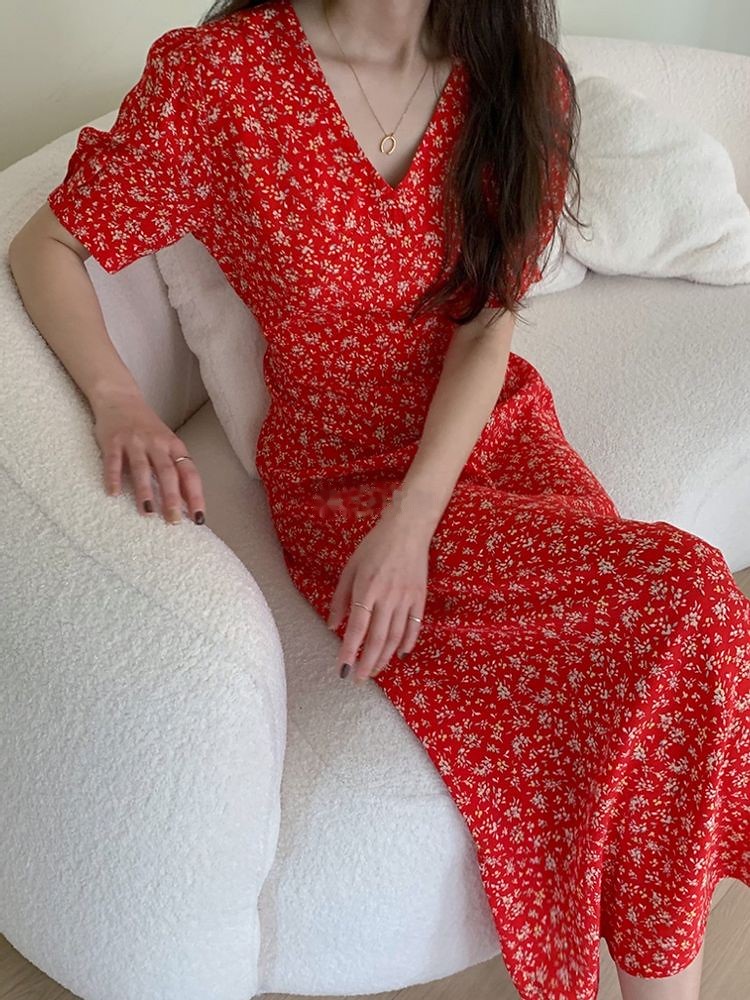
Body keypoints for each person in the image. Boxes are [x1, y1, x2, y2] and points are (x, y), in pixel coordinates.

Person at [8, 2, 750, 998]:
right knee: (691, 596)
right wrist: (117, 401)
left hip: (493, 440)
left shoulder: (519, 79)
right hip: (342, 478)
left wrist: (417, 523)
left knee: (667, 649)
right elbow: (45, 247)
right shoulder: (222, 79)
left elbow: (487, 327)